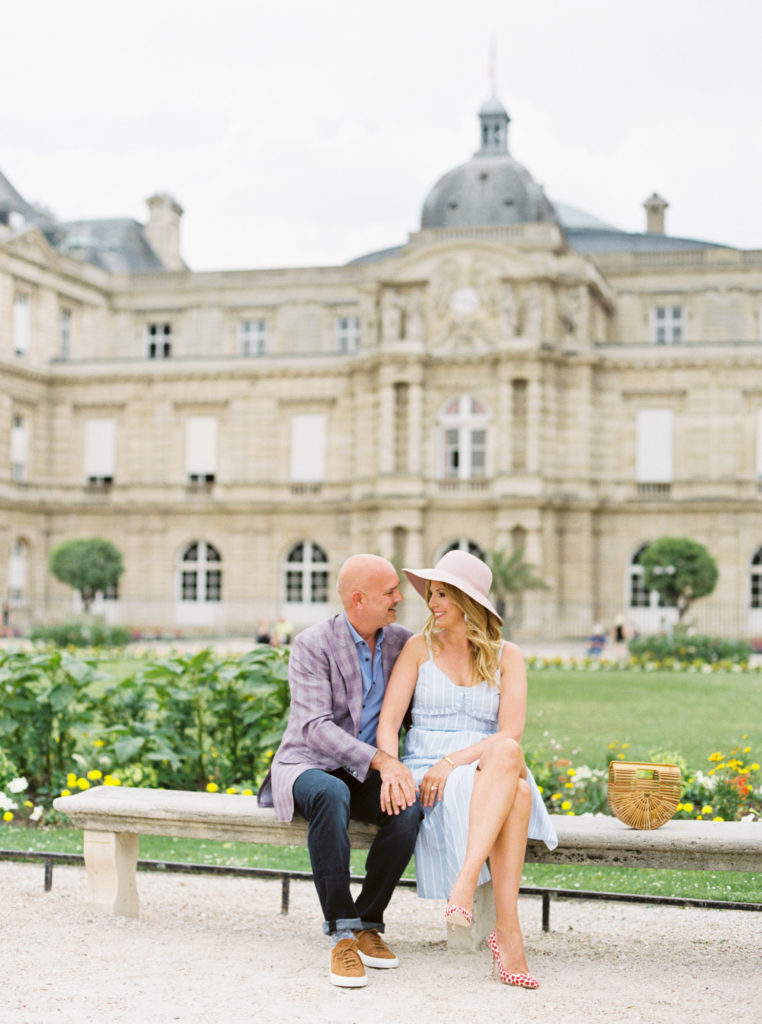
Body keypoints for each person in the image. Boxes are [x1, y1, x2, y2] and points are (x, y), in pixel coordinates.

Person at [376, 550, 557, 989]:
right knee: (518, 793)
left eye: (441, 594)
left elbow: (509, 733)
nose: (431, 603)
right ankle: (509, 936)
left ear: (466, 601)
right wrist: (392, 769)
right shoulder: (418, 649)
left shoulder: (506, 656)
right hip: (426, 773)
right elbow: (387, 725)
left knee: (507, 755)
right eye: (431, 594)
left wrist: (454, 760)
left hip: (477, 767)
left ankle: (466, 882)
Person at [257, 554, 423, 989]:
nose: (399, 598)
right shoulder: (313, 643)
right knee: (331, 793)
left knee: (409, 808)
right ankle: (342, 932)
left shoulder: (401, 642)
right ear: (358, 599)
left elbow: (420, 709)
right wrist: (382, 761)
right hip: (307, 764)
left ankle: (369, 920)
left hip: (365, 769)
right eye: (389, 592)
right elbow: (314, 728)